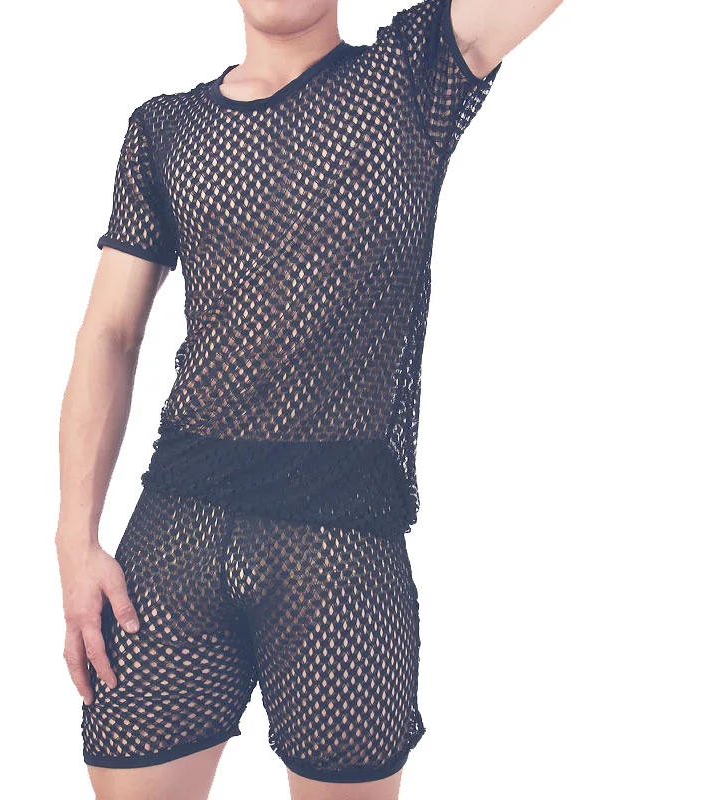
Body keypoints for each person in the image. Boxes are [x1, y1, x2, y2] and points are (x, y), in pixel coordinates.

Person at [55, 1, 562, 797]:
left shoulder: (409, 77)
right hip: (174, 540)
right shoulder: (164, 129)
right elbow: (110, 332)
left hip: (341, 550)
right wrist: (74, 539)